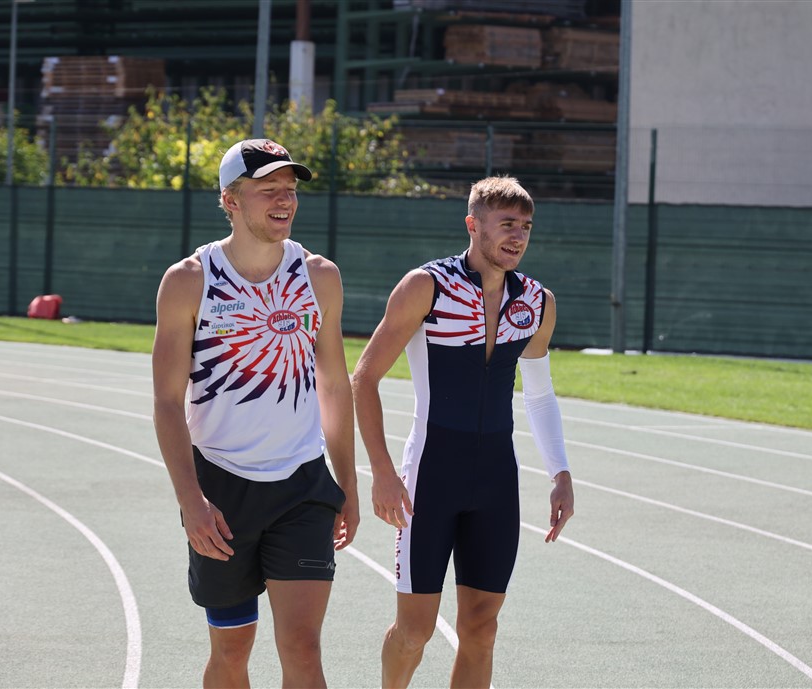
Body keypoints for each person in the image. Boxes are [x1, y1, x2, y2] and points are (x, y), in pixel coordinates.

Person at [351, 175, 575, 688]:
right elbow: (363, 379)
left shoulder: (537, 301)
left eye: (526, 226)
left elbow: (539, 394)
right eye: (506, 224)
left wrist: (560, 473)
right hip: (430, 476)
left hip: (495, 480)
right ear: (473, 225)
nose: (518, 236)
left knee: (482, 628)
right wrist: (382, 472)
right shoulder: (426, 286)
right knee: (415, 631)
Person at [152, 138, 359, 689]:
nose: (284, 199)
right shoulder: (189, 281)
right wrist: (191, 501)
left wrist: (348, 484)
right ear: (231, 200)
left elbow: (334, 386)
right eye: (268, 189)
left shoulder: (319, 277)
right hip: (221, 490)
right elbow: (167, 403)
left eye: (290, 189)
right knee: (232, 650)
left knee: (303, 647)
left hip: (302, 486)